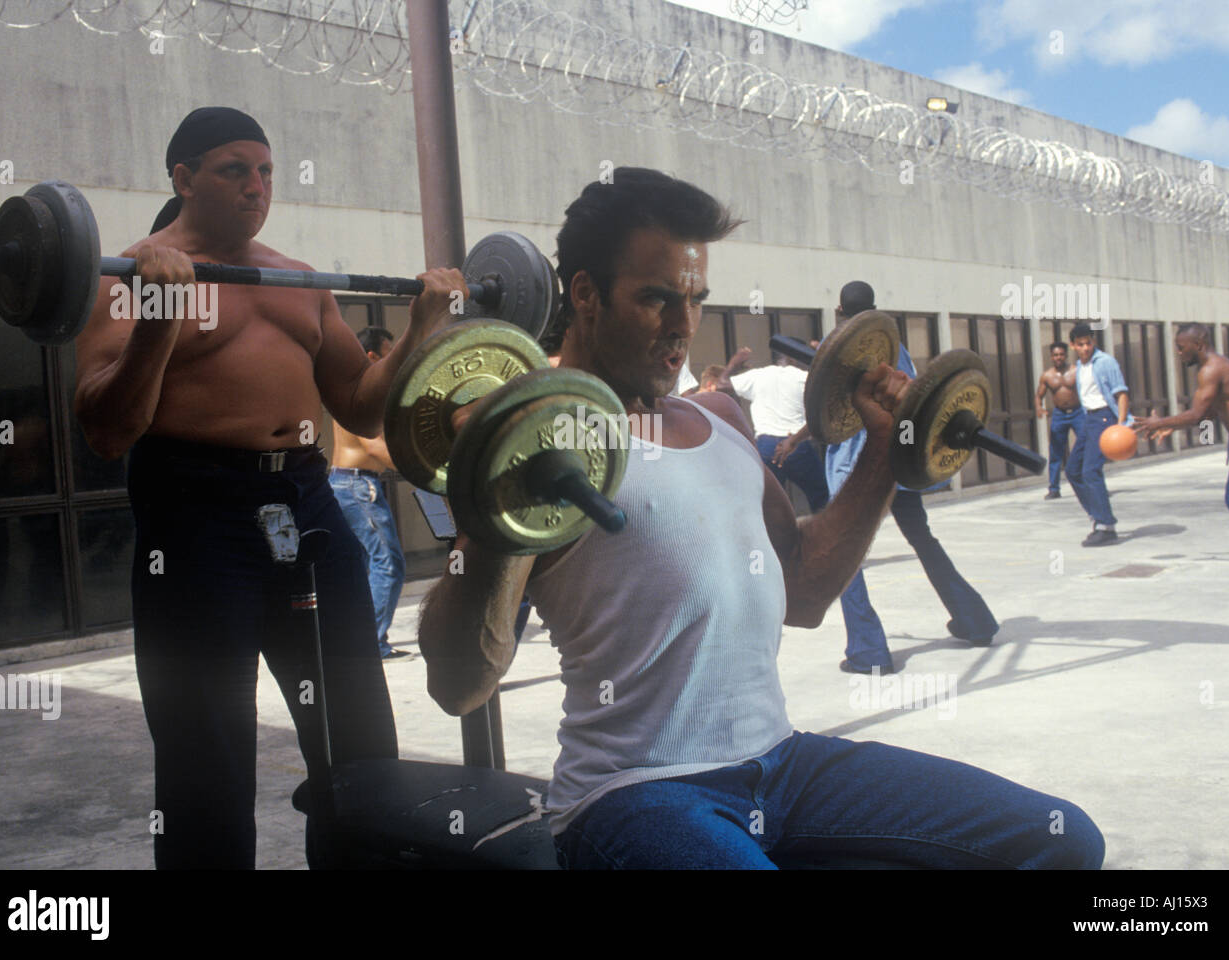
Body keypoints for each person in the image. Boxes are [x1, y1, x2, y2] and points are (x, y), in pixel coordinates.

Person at [418, 167, 1103, 870]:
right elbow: (459, 684)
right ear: (586, 295)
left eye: (695, 299)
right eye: (656, 299)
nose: (684, 326)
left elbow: (803, 593)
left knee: (1060, 840)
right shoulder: (539, 436)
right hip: (636, 795)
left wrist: (882, 449)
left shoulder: (717, 418)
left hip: (782, 765)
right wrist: (500, 504)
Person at [73, 107, 461, 868]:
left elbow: (359, 403)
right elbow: (109, 430)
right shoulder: (124, 279)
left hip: (307, 506)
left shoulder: (299, 281)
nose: (257, 187)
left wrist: (420, 329)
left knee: (357, 738)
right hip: (195, 513)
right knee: (205, 752)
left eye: (267, 171)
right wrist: (159, 319)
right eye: (234, 170)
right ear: (183, 179)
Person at [825, 282, 997, 674]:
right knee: (924, 541)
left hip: (858, 472)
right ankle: (976, 623)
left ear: (839, 311)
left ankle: (869, 652)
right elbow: (916, 407)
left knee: (847, 559)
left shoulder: (834, 350)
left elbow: (826, 417)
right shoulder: (897, 348)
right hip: (898, 467)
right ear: (874, 309)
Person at [1134, 323, 1229, 550]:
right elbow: (1209, 412)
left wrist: (1158, 422)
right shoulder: (1215, 366)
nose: (1178, 353)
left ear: (1198, 344)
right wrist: (1173, 426)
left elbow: (1197, 414)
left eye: (1181, 348)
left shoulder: (1211, 369)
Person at [328, 326, 411, 660]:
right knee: (389, 564)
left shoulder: (356, 387)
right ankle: (371, 643)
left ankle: (357, 640)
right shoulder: (365, 389)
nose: (394, 360)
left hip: (349, 484)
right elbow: (373, 444)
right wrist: (420, 470)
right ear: (373, 356)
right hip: (357, 487)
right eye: (389, 353)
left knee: (363, 567)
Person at [721, 346, 830, 512]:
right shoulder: (805, 378)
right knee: (821, 496)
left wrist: (733, 364)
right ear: (794, 359)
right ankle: (823, 536)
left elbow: (721, 386)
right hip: (796, 444)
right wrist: (793, 441)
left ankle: (774, 537)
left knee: (768, 505)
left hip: (766, 446)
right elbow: (818, 416)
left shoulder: (759, 375)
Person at [1067, 322, 1132, 547]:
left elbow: (1121, 394)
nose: (1085, 348)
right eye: (1080, 344)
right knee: (1073, 470)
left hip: (1105, 417)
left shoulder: (1105, 362)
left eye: (1088, 343)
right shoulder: (1079, 366)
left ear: (1093, 342)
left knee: (1091, 471)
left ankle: (1106, 527)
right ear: (1073, 345)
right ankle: (1096, 517)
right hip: (1088, 419)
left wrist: (1121, 425)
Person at [1035, 342, 1081, 500]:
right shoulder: (1047, 375)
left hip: (1078, 412)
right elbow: (1038, 395)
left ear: (1066, 355)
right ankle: (1054, 489)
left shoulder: (1076, 371)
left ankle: (1089, 484)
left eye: (1061, 354)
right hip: (1059, 415)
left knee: (1088, 446)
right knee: (1055, 452)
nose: (1058, 357)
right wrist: (1039, 409)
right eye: (1055, 355)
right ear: (1051, 357)